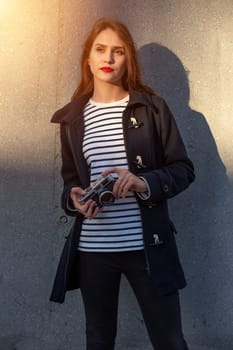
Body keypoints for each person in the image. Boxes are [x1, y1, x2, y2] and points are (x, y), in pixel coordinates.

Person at [50, 17, 195, 350]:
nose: (108, 59)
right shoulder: (73, 118)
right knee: (98, 340)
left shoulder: (152, 108)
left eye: (118, 51)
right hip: (93, 251)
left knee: (170, 341)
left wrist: (142, 182)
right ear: (88, 58)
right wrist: (74, 198)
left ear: (128, 59)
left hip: (148, 246)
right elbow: (70, 182)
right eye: (100, 50)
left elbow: (183, 169)